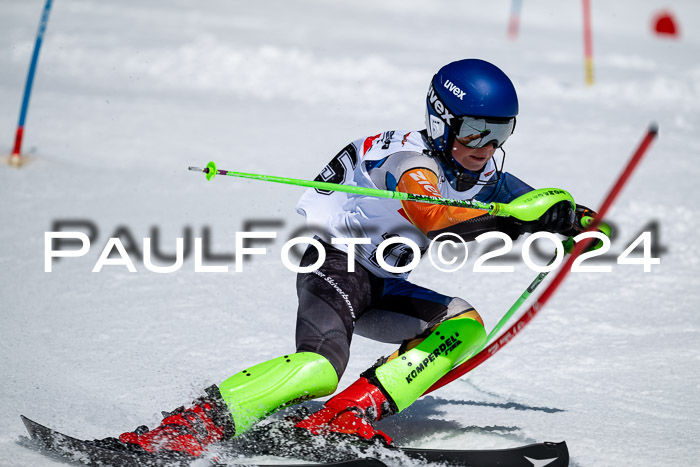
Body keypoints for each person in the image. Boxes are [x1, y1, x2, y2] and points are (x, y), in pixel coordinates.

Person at [101, 59, 594, 458]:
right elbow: (437, 220)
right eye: (473, 132)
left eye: (499, 132)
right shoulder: (410, 162)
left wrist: (576, 220)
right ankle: (187, 427)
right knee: (319, 369)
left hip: (381, 281)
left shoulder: (475, 165)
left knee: (464, 325)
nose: (485, 148)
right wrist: (520, 221)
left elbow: (523, 200)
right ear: (442, 121)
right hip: (334, 267)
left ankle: (343, 419)